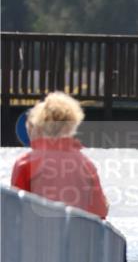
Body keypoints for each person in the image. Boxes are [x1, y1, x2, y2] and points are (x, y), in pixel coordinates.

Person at [10, 91, 109, 219]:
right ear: (71, 126)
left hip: (36, 235)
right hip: (74, 235)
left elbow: (15, 211)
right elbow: (99, 211)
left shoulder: (26, 162)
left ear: (39, 125)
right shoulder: (86, 165)